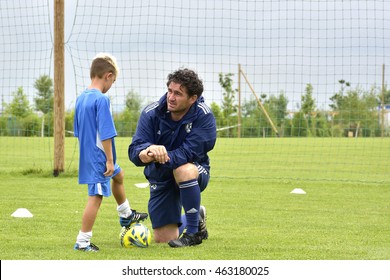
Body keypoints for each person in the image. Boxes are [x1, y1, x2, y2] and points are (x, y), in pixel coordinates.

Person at [128, 68, 217, 247]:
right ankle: (195, 215)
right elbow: (134, 150)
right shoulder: (151, 113)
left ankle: (193, 233)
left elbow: (187, 154)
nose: (171, 97)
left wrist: (161, 155)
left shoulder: (204, 116)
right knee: (163, 238)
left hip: (194, 170)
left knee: (183, 170)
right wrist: (146, 152)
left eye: (178, 93)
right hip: (160, 175)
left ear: (193, 98)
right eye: (170, 91)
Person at [73, 53, 148, 252]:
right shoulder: (101, 99)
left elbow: (78, 131)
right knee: (96, 197)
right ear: (108, 75)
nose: (111, 85)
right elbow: (105, 133)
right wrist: (108, 159)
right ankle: (82, 242)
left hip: (89, 154)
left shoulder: (81, 98)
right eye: (113, 81)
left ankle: (126, 214)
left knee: (119, 175)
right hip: (100, 157)